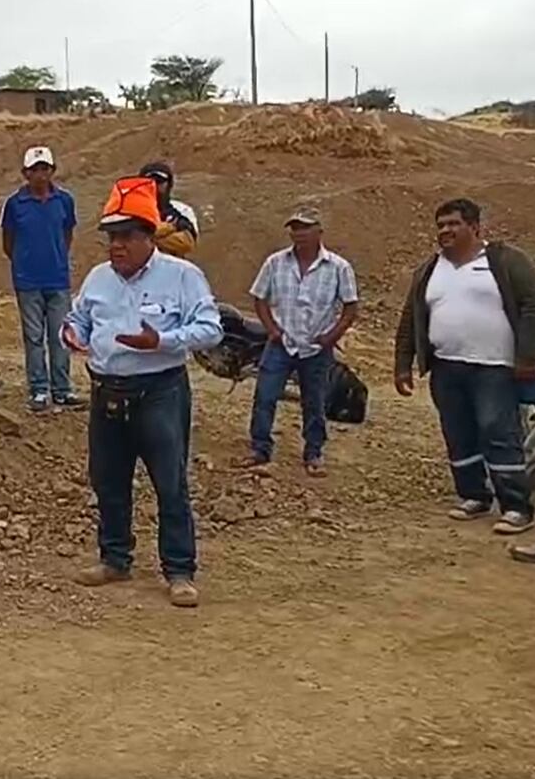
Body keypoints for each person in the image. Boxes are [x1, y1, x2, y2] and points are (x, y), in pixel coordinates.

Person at [63, 176, 222, 608]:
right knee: (108, 479)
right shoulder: (98, 278)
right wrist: (72, 334)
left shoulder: (183, 276)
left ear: (149, 237)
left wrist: (163, 341)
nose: (117, 246)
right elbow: (78, 319)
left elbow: (211, 329)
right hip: (106, 392)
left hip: (160, 392)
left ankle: (180, 570)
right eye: (112, 237)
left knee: (169, 482)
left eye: (126, 236)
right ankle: (115, 558)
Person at [394, 198, 535, 536]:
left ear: (475, 227)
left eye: (453, 224)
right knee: (458, 432)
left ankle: (516, 507)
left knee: (498, 432)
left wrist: (527, 356)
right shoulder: (430, 269)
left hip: (495, 367)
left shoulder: (504, 261)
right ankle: (474, 496)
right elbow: (411, 319)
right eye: (441, 225)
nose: (445, 231)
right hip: (447, 368)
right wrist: (402, 364)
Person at [242, 207, 359, 475]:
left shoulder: (339, 267)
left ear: (319, 231)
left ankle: (313, 452)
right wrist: (272, 330)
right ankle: (260, 448)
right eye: (294, 228)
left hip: (316, 347)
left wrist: (331, 336)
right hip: (281, 343)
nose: (299, 234)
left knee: (314, 400)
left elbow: (351, 307)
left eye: (305, 228)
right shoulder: (275, 262)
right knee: (265, 395)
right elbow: (259, 298)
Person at [0, 145, 83, 412]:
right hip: (28, 281)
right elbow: (8, 242)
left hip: (57, 279)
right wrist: (24, 263)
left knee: (60, 336)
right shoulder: (15, 204)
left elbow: (67, 233)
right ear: (25, 173)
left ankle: (62, 389)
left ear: (52, 171)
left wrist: (56, 258)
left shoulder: (64, 201)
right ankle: (38, 389)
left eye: (44, 169)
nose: (40, 174)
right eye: (34, 170)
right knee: (33, 336)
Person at [138, 162, 200, 258]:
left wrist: (148, 238)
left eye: (159, 181)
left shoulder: (182, 210)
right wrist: (172, 227)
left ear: (169, 184)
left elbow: (187, 244)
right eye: (149, 181)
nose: (154, 185)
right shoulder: (131, 211)